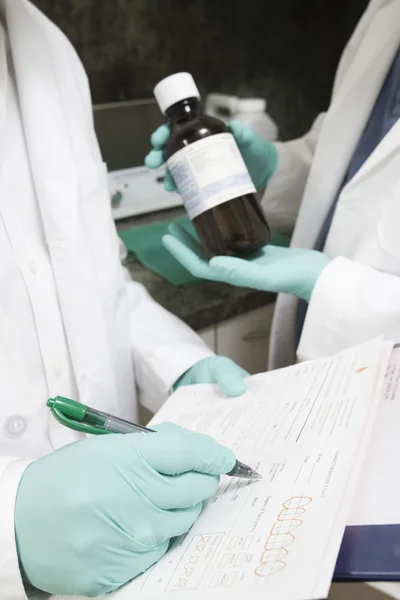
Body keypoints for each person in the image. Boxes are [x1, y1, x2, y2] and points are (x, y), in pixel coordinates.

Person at [0, 1, 249, 597]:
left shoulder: (46, 47)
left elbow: (94, 277)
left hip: (128, 557)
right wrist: (9, 522)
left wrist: (179, 365)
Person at [146, 0, 400, 372]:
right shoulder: (385, 13)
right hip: (314, 363)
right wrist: (270, 168)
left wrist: (328, 285)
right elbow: (349, 166)